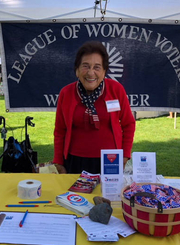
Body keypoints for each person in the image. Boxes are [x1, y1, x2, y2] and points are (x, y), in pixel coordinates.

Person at [53, 41, 136, 174]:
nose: (91, 73)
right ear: (77, 70)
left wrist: (125, 155)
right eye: (85, 66)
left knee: (108, 195)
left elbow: (128, 124)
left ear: (104, 72)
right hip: (74, 161)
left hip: (110, 160)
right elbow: (60, 130)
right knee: (75, 195)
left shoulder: (116, 90)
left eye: (97, 67)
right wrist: (58, 161)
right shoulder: (66, 93)